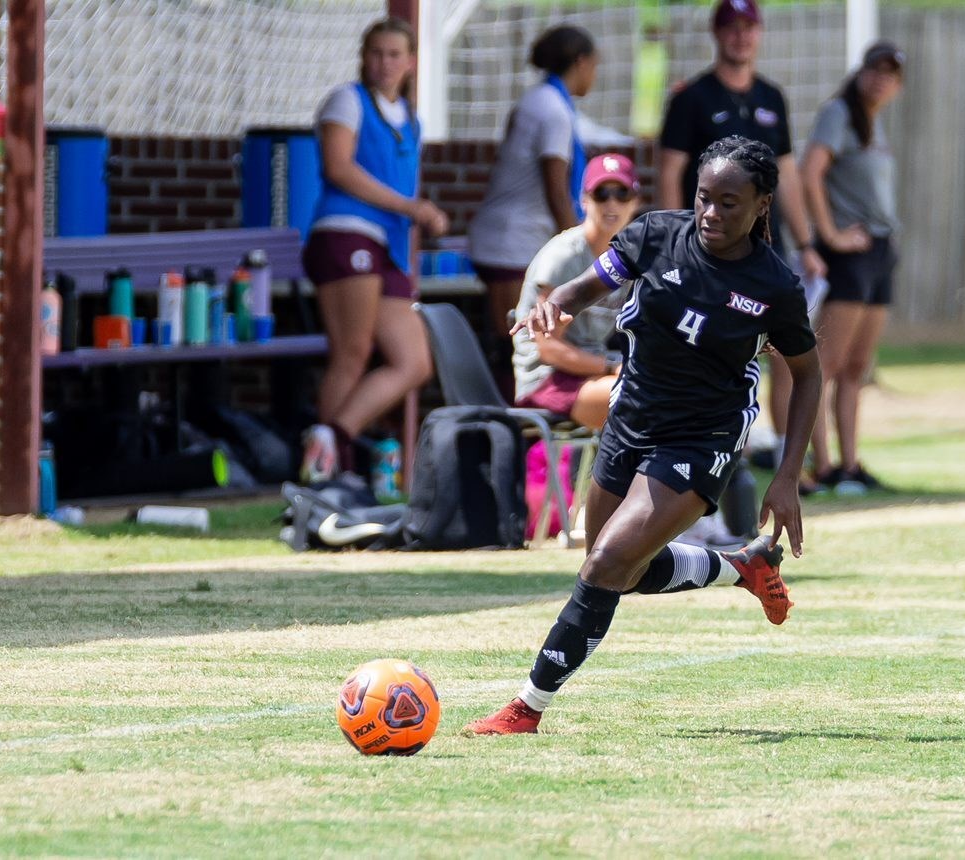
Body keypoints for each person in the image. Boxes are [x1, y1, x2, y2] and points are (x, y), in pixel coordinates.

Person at [465, 136, 822, 736]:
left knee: (606, 563)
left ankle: (526, 708)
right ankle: (743, 565)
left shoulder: (773, 286)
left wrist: (787, 476)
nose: (711, 213)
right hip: (631, 416)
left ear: (762, 204)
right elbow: (586, 285)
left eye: (729, 203)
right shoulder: (656, 234)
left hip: (701, 436)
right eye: (704, 198)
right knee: (617, 569)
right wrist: (558, 308)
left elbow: (809, 375)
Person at [657, 0, 825, 494]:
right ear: (716, 34)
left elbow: (789, 173)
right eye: (731, 27)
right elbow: (669, 171)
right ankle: (723, 452)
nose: (740, 37)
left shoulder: (772, 96)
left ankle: (783, 455)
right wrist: (674, 239)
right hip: (707, 250)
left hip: (764, 252)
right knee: (712, 344)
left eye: (748, 27)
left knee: (786, 349)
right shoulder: (692, 98)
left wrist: (808, 241)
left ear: (760, 33)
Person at [299, 17, 448, 482]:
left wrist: (425, 215)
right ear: (364, 57)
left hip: (390, 248)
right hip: (345, 234)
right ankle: (327, 473)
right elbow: (338, 168)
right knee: (352, 351)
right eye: (376, 53)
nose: (384, 63)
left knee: (414, 362)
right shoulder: (347, 101)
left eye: (394, 54)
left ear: (410, 62)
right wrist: (411, 207)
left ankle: (332, 436)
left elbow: (408, 189)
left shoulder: (411, 119)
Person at [800, 40, 905, 493]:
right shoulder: (838, 114)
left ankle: (850, 463)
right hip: (851, 255)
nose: (881, 79)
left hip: (880, 251)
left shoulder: (873, 124)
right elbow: (809, 173)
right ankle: (822, 465)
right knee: (828, 362)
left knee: (857, 365)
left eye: (891, 73)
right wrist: (831, 235)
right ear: (860, 72)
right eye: (875, 70)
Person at [468, 25, 600, 377]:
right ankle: (505, 428)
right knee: (515, 341)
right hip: (510, 244)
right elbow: (556, 189)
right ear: (581, 62)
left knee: (513, 339)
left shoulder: (538, 100)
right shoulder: (553, 111)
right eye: (594, 66)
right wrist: (578, 246)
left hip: (506, 239)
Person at [512, 153, 642, 432]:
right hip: (547, 379)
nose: (611, 203)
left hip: (592, 374)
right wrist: (610, 367)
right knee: (636, 399)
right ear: (584, 200)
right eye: (601, 194)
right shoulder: (563, 256)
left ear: (636, 202)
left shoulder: (628, 257)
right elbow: (547, 349)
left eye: (622, 194)